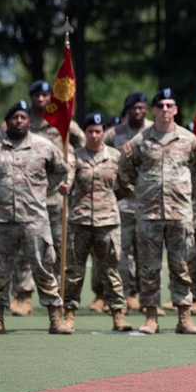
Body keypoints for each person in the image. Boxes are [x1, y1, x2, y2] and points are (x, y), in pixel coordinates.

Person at [0, 100, 71, 335]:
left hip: (34, 219)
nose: (19, 121)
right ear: (7, 121)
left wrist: (44, 191)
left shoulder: (44, 146)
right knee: (0, 272)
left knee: (44, 269)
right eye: (14, 117)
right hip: (0, 220)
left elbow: (61, 171)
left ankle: (55, 319)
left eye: (23, 117)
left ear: (29, 121)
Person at [117, 88, 196, 334]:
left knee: (181, 265)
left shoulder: (189, 140)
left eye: (170, 105)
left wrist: (187, 189)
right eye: (161, 106)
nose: (166, 110)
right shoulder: (140, 141)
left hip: (179, 213)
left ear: (176, 110)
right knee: (149, 267)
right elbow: (124, 170)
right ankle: (151, 316)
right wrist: (138, 192)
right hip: (148, 214)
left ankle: (184, 316)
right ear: (154, 110)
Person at [9, 79, 84, 317]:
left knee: (60, 247)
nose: (41, 99)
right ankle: (23, 295)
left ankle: (58, 294)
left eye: (45, 95)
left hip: (55, 197)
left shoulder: (63, 122)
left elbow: (82, 146)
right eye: (36, 95)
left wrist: (70, 162)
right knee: (24, 247)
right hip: (27, 196)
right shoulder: (22, 121)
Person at [63, 113, 131, 332]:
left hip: (107, 222)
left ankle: (118, 315)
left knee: (111, 271)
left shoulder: (115, 156)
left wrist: (109, 201)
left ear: (104, 133)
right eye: (90, 131)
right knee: (74, 271)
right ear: (85, 133)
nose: (94, 135)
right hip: (80, 221)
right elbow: (67, 181)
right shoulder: (75, 156)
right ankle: (69, 315)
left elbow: (127, 185)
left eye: (98, 131)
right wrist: (65, 187)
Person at [103, 91, 149, 313]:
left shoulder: (153, 131)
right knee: (121, 252)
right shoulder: (114, 134)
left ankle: (147, 296)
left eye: (142, 108)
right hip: (122, 203)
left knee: (147, 252)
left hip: (150, 203)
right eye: (134, 109)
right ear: (128, 110)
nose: (138, 112)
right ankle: (127, 294)